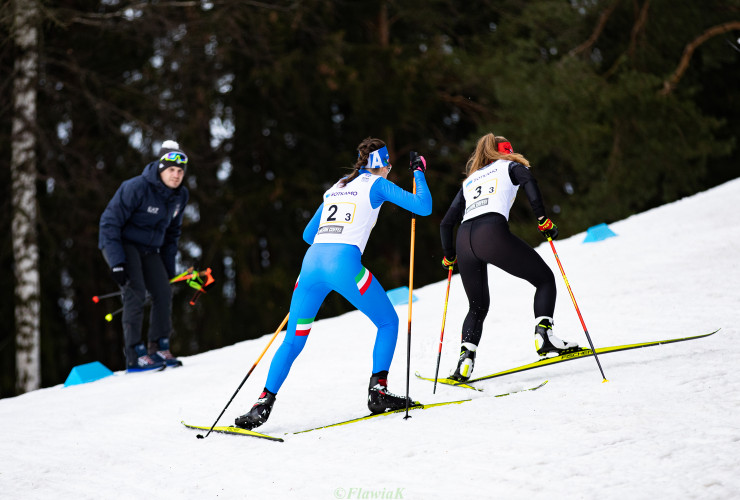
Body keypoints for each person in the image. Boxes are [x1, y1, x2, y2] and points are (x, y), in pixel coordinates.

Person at [235, 137, 432, 430]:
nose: (390, 169)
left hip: (311, 266)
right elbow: (423, 206)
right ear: (383, 165)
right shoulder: (376, 184)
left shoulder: (338, 185)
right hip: (343, 265)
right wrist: (418, 172)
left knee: (293, 339)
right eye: (389, 165)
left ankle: (262, 403)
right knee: (388, 321)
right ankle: (377, 391)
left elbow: (307, 234)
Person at [439, 133, 578, 382]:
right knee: (544, 279)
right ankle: (544, 336)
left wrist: (449, 256)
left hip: (463, 240)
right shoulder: (511, 166)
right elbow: (530, 182)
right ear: (506, 151)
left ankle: (464, 362)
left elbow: (446, 223)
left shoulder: (469, 181)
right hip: (490, 233)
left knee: (477, 306)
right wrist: (541, 218)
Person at [99, 140, 189, 372]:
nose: (176, 175)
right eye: (171, 170)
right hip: (123, 244)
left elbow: (172, 234)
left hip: (151, 250)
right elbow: (109, 223)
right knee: (135, 292)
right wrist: (117, 262)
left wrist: (168, 269)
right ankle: (134, 355)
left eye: (180, 171)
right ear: (161, 169)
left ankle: (158, 347)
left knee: (163, 292)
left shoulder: (180, 196)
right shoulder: (136, 187)